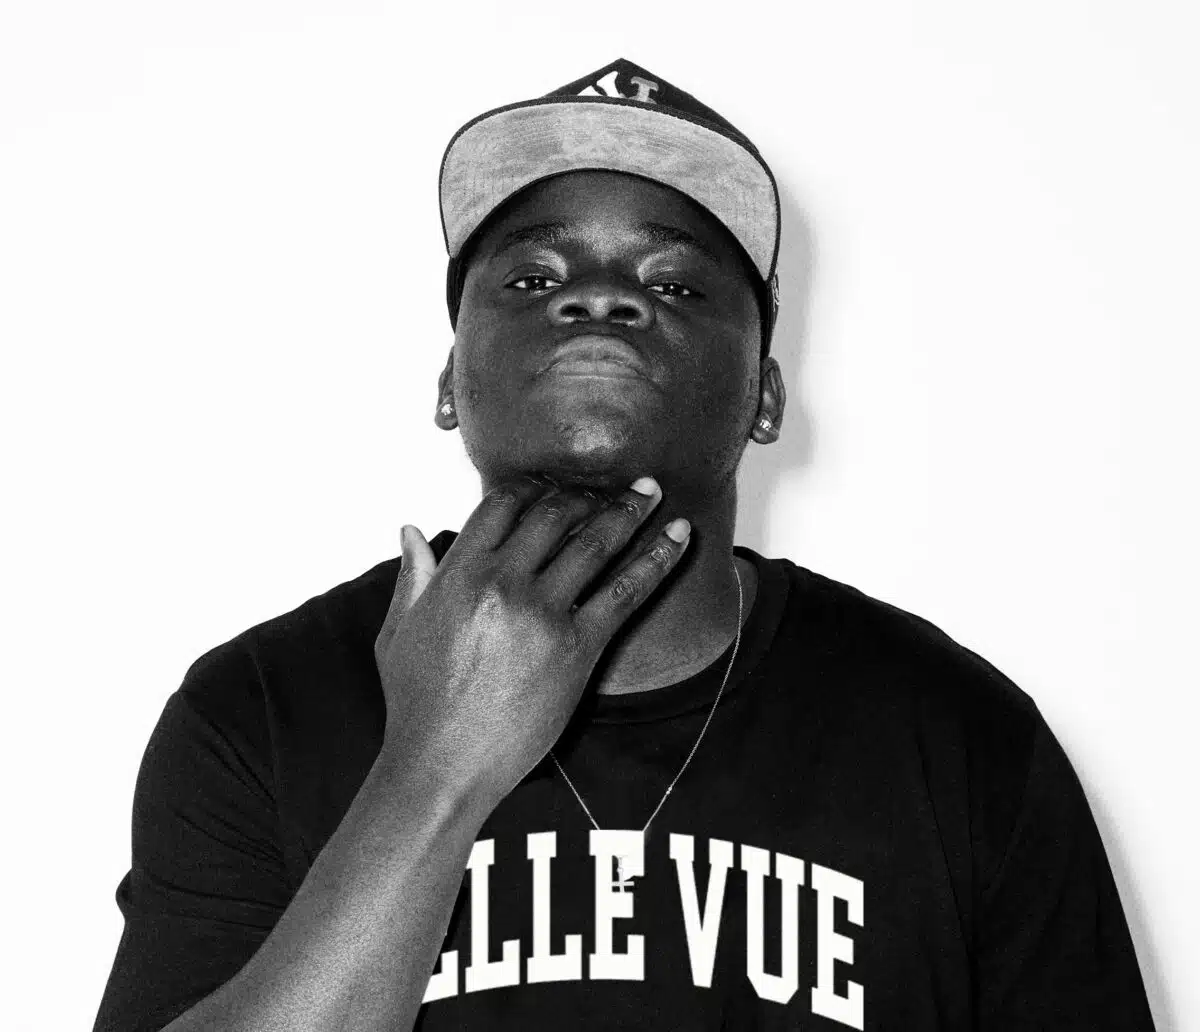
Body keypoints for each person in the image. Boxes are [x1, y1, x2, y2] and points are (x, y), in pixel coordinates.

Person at [92, 59, 1155, 1032]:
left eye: (675, 284)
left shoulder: (959, 738)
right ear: (448, 384)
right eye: (531, 278)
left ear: (766, 397)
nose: (599, 295)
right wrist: (435, 766)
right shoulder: (261, 711)